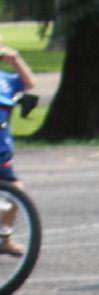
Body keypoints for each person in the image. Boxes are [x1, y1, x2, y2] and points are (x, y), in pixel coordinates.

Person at [0, 45, 36, 258]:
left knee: (16, 191)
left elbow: (29, 84)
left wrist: (16, 61)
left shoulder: (4, 79)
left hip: (2, 149)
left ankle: (4, 238)